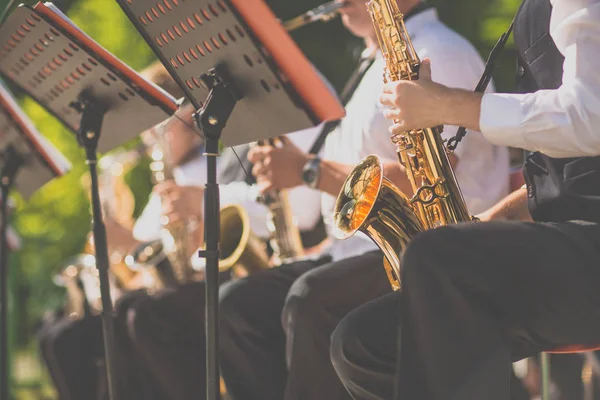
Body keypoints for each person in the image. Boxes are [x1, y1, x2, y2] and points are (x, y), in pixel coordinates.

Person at [215, 1, 510, 399]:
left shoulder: (440, 52)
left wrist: (309, 172)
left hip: (433, 248)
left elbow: (422, 181)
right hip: (368, 250)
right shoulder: (373, 63)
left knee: (311, 300)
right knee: (237, 305)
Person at [330, 1, 600, 399]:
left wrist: (442, 104)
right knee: (360, 341)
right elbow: (568, 178)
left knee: (438, 258)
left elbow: (590, 117)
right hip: (571, 244)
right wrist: (493, 220)